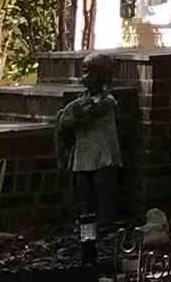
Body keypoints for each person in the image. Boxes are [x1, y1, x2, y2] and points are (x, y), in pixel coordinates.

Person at [50, 67, 125, 230]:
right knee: (83, 195)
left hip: (104, 155)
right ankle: (86, 227)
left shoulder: (108, 101)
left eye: (89, 73)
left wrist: (72, 113)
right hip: (83, 156)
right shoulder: (80, 101)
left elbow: (90, 114)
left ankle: (104, 225)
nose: (85, 77)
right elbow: (66, 124)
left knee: (103, 192)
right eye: (84, 73)